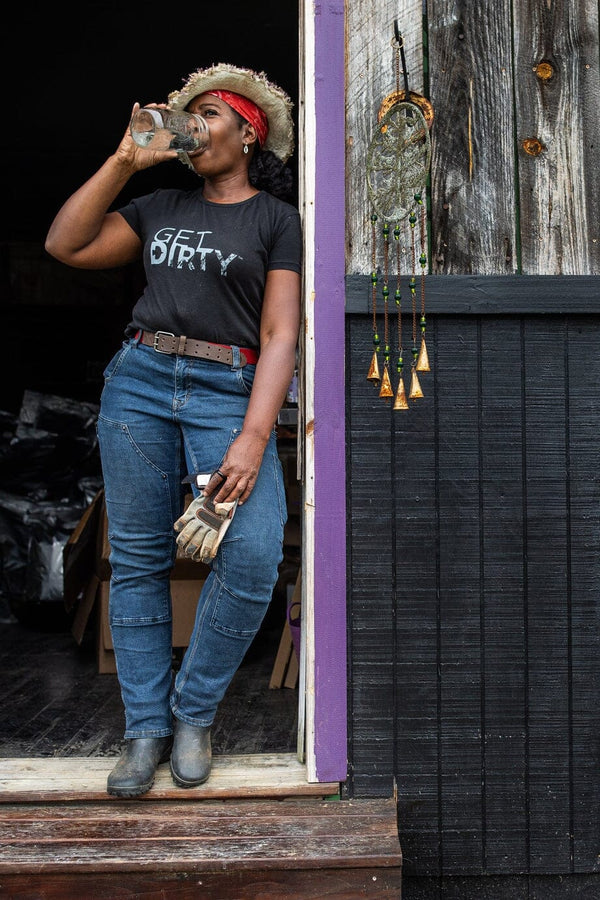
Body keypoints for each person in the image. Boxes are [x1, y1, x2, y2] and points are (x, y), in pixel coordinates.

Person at [45, 63, 302, 797]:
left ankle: (194, 712)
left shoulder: (276, 221)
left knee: (252, 556)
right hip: (141, 382)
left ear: (249, 132)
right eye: (188, 114)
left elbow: (282, 333)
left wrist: (254, 437)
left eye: (210, 113)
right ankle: (145, 730)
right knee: (137, 563)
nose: (194, 124)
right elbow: (66, 244)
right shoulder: (158, 204)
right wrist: (125, 159)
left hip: (229, 390)